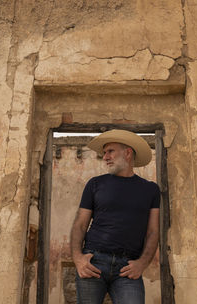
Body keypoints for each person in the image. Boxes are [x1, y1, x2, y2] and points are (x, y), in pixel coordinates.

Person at [70, 129, 160, 304]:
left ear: (128, 153)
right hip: (93, 262)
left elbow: (153, 231)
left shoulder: (151, 190)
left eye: (110, 151)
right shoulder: (95, 184)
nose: (105, 157)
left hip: (128, 268)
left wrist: (142, 264)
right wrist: (78, 259)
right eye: (104, 153)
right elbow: (80, 225)